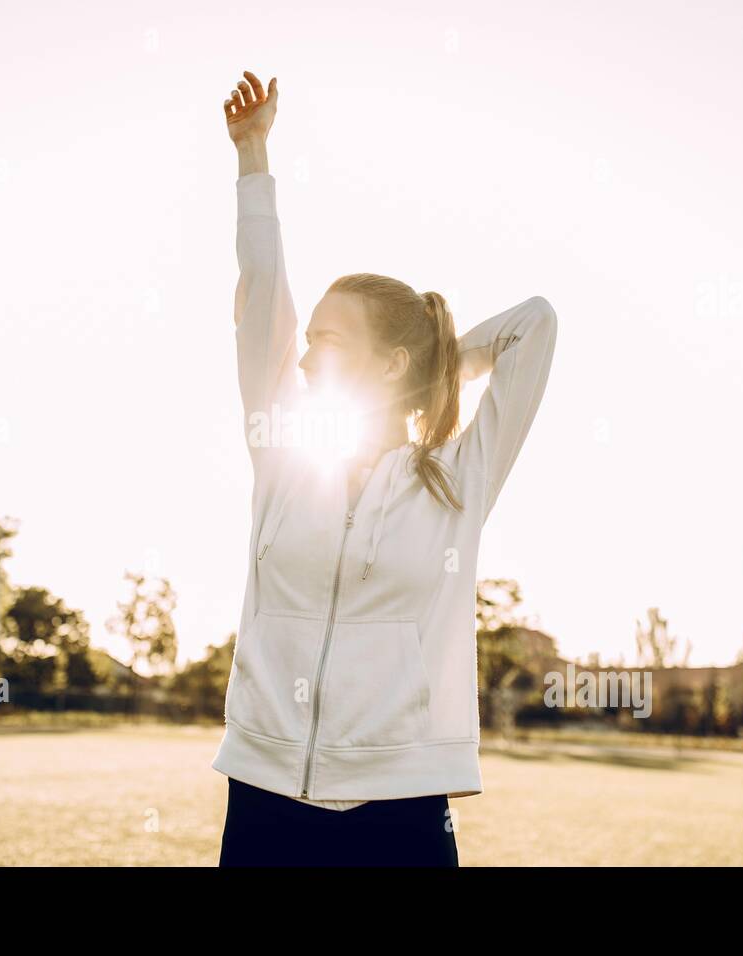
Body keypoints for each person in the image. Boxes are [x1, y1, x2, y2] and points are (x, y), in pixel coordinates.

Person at [214, 69, 558, 866]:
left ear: (391, 360)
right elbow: (266, 300)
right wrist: (253, 155)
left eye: (327, 341)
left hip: (401, 808)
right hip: (264, 792)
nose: (302, 354)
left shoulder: (455, 480)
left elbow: (534, 326)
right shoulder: (281, 455)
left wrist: (435, 369)